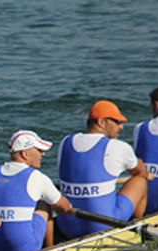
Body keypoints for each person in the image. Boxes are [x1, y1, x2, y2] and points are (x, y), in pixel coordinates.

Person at [55, 100, 152, 239]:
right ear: (101, 122)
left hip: (67, 226)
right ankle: (135, 229)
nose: (121, 127)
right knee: (140, 181)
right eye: (117, 122)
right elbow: (140, 173)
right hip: (102, 225)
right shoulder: (118, 147)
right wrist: (143, 168)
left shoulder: (66, 142)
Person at [0, 130, 73, 251]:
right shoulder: (37, 177)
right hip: (19, 250)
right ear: (25, 153)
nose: (43, 154)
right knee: (44, 204)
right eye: (39, 150)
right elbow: (64, 207)